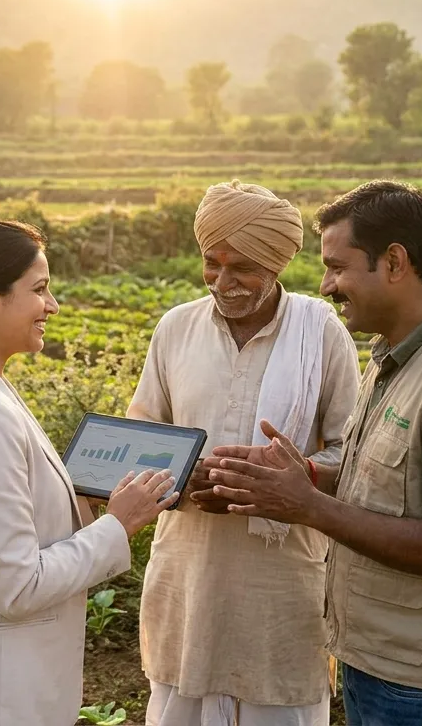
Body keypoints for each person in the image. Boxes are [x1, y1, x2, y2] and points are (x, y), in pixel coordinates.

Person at [204, 181, 422, 726]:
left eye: (338, 267)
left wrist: (307, 506)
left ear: (395, 262)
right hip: (381, 659)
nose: (326, 286)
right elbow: (378, 481)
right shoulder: (395, 358)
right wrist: (302, 475)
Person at [0, 219, 179, 726]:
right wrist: (118, 525)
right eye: (39, 289)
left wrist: (73, 505)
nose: (52, 305)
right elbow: (17, 586)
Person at [126, 180, 362, 726]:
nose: (223, 282)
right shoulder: (176, 328)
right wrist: (184, 476)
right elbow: (141, 433)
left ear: (276, 266)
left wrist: (289, 478)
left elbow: (352, 454)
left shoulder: (321, 334)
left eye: (243, 268)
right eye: (212, 264)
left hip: (280, 589)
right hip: (187, 576)